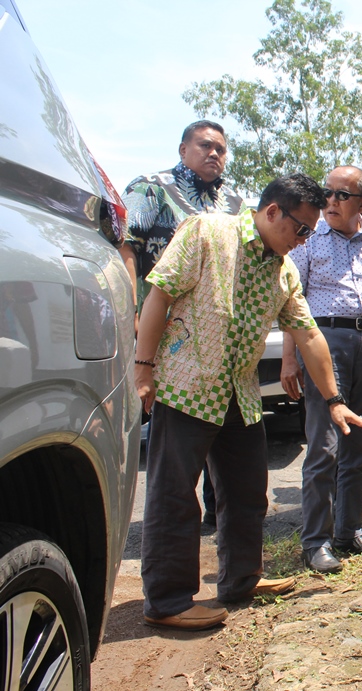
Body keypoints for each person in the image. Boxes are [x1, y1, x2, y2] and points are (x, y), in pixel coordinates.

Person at [134, 173, 362, 631]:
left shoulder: (283, 270)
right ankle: (167, 600)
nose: (305, 241)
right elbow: (159, 293)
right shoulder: (207, 232)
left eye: (310, 231)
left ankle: (241, 579)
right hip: (188, 385)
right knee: (174, 496)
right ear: (270, 212)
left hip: (239, 395)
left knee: (247, 494)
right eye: (301, 229)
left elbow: (308, 334)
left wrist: (335, 400)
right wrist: (144, 367)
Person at [280, 168, 362, 572]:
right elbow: (291, 301)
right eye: (327, 194)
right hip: (324, 342)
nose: (330, 202)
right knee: (324, 446)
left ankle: (348, 532)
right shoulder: (309, 241)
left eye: (341, 195)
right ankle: (315, 541)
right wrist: (288, 357)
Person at [120, 119, 244, 527]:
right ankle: (169, 518)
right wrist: (131, 309)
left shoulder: (234, 201)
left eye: (221, 149)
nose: (214, 154)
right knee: (172, 427)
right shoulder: (151, 189)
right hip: (163, 326)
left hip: (217, 334)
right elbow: (128, 246)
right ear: (182, 149)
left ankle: (216, 518)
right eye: (205, 146)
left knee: (220, 424)